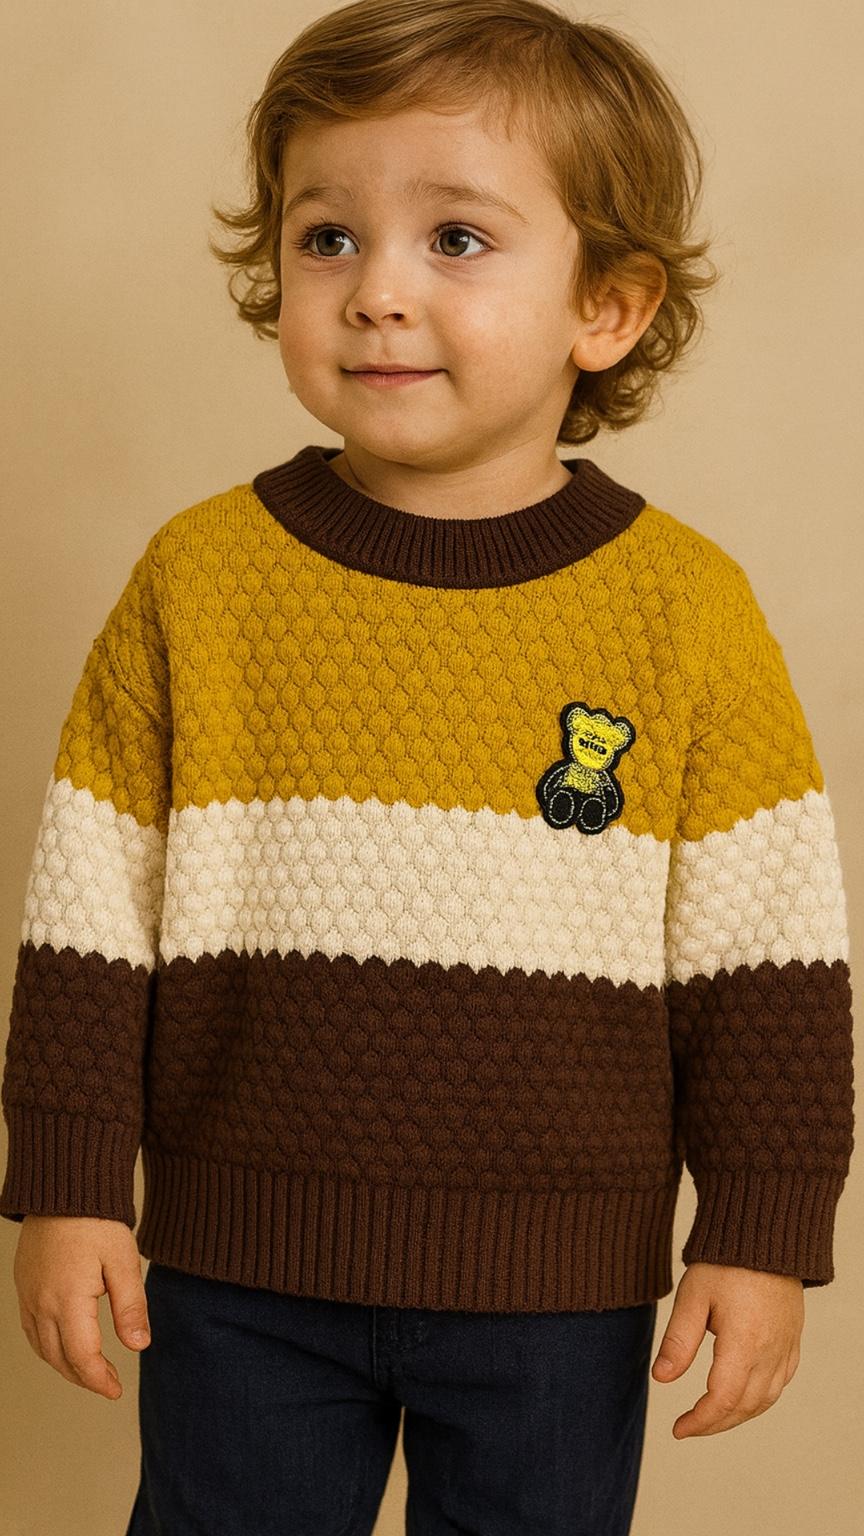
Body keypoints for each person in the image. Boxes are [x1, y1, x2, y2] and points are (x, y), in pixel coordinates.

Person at [1, 1, 855, 1533]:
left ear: (609, 306)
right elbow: (87, 918)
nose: (376, 292)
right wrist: (67, 1187)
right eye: (326, 238)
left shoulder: (688, 610)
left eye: (455, 240)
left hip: (555, 1291)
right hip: (238, 1273)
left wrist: (763, 1230)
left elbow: (769, 956)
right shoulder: (198, 579)